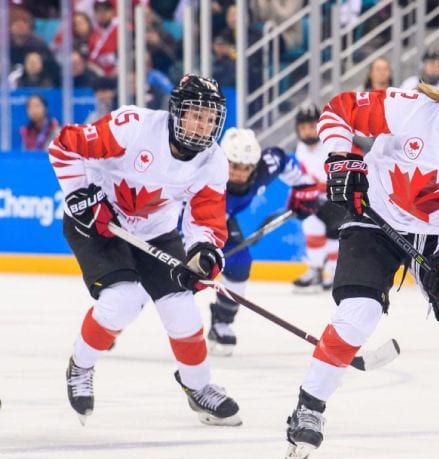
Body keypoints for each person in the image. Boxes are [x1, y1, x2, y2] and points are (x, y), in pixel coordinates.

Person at [284, 50, 439, 459]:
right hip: (375, 218)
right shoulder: (408, 109)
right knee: (358, 314)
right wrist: (342, 158)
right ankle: (308, 407)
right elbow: (338, 112)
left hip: (438, 234)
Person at [48, 75, 241, 426]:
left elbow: (207, 219)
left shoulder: (212, 162)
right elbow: (65, 144)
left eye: (211, 119)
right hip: (98, 222)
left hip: (156, 232)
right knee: (121, 301)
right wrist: (79, 195)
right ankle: (81, 366)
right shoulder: (133, 127)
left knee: (182, 308)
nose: (203, 126)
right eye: (196, 115)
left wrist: (203, 253)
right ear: (176, 112)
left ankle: (198, 387)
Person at [206, 128, 321, 355]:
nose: (240, 173)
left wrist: (305, 189)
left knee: (239, 263)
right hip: (191, 219)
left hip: (222, 219)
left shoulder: (267, 164)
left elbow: (284, 160)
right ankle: (115, 318)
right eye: (234, 166)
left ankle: (221, 323)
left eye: (246, 167)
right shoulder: (206, 175)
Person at [291, 105, 346, 292]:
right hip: (317, 201)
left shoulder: (332, 143)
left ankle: (331, 271)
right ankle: (318, 269)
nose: (308, 132)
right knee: (312, 221)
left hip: (339, 200)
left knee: (332, 229)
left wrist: (322, 186)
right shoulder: (300, 149)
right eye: (303, 128)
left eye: (312, 126)